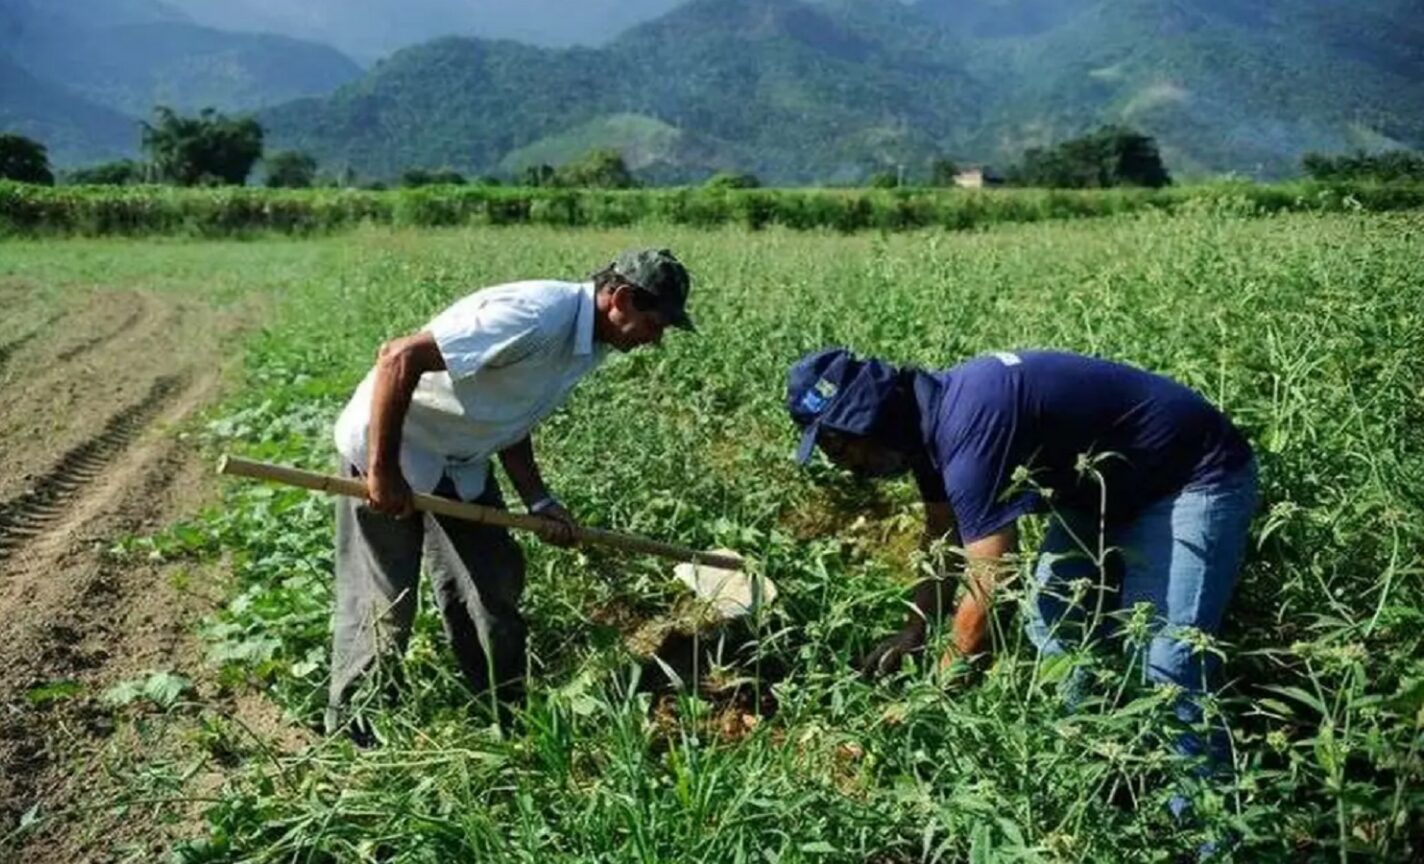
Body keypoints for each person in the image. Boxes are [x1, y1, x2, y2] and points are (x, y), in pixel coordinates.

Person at [785, 347, 1257, 779]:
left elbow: (989, 587)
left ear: (867, 420)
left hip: (1191, 478)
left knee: (1167, 662)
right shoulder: (923, 428)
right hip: (1099, 492)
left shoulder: (969, 425)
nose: (840, 464)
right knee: (1054, 624)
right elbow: (942, 537)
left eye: (836, 446)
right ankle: (1090, 772)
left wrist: (928, 699)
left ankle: (1206, 831)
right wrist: (915, 629)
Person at [327, 248, 694, 736]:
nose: (656, 340)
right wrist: (382, 469)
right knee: (384, 603)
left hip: (459, 460)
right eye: (657, 324)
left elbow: (512, 412)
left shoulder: (589, 344)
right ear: (622, 299)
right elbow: (399, 356)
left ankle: (504, 716)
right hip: (393, 447)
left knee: (491, 584)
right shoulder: (536, 316)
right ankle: (353, 733)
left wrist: (539, 500)